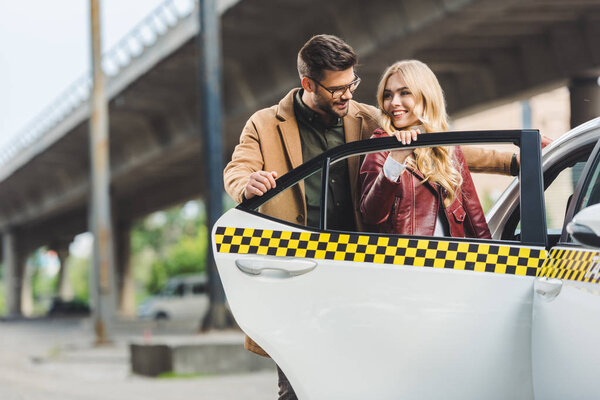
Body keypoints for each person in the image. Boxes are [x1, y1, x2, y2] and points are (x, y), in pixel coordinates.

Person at [224, 35, 528, 399]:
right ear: (308, 84)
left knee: (361, 380)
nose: (348, 95)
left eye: (352, 84)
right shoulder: (264, 125)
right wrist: (247, 183)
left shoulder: (366, 119)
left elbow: (442, 148)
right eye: (337, 89)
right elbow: (237, 169)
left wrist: (512, 161)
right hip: (300, 273)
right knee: (298, 386)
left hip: (357, 271)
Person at [360, 60, 491, 238]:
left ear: (426, 96)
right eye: (388, 95)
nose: (393, 103)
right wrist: (395, 160)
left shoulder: (449, 148)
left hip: (453, 261)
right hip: (406, 262)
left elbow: (476, 221)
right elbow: (372, 214)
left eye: (404, 92)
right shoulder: (381, 144)